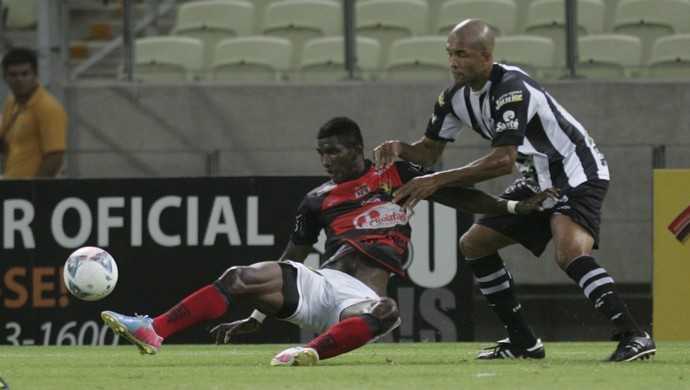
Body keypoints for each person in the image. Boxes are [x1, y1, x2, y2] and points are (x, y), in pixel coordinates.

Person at [101, 117, 551, 366]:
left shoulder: (396, 175)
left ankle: (309, 354)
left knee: (388, 312)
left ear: (358, 149)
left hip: (359, 301)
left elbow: (460, 195)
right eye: (321, 154)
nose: (326, 161)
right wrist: (258, 313)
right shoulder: (316, 199)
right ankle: (154, 329)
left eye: (334, 152)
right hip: (321, 282)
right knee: (238, 275)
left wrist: (511, 210)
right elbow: (292, 258)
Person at [373, 19, 655, 362]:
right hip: (537, 180)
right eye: (449, 54)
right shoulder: (452, 97)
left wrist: (436, 180)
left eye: (461, 54)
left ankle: (634, 335)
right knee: (474, 244)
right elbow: (429, 151)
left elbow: (502, 161)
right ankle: (523, 341)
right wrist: (400, 148)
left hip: (575, 172)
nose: (453, 62)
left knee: (568, 253)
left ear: (486, 56)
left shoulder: (511, 87)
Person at [0, 47, 67, 178]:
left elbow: (55, 157)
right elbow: (5, 143)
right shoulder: (11, 103)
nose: (19, 80)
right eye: (13, 75)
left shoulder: (48, 107)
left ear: (35, 75)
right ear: (5, 78)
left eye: (25, 74)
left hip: (30, 191)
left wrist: (34, 190)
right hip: (12, 185)